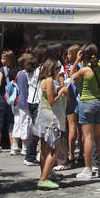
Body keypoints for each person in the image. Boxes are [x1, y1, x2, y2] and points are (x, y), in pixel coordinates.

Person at [70, 43, 100, 180]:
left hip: (86, 103)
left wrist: (76, 61)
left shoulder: (85, 70)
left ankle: (87, 169)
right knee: (99, 136)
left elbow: (71, 78)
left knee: (88, 137)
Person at [34, 58, 70, 189]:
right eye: (57, 69)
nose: (59, 71)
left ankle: (45, 175)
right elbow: (51, 100)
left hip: (45, 117)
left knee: (44, 150)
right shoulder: (49, 81)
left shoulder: (46, 81)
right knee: (54, 149)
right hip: (51, 119)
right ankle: (44, 178)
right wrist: (61, 92)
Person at [0, 50, 16, 154]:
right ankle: (13, 145)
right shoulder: (15, 70)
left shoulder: (2, 70)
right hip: (12, 98)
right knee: (11, 122)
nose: (1, 60)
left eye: (3, 58)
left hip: (2, 97)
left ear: (6, 60)